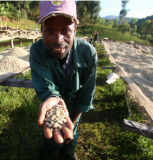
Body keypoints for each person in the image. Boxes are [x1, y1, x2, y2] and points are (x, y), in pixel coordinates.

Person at [29, 1, 98, 159]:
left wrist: (72, 121)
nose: (58, 39)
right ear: (41, 31)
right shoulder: (37, 51)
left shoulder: (88, 53)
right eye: (50, 31)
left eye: (66, 30)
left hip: (75, 102)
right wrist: (52, 97)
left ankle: (69, 152)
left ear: (75, 29)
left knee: (70, 134)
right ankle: (49, 154)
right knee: (51, 140)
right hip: (52, 104)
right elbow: (46, 85)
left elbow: (87, 93)